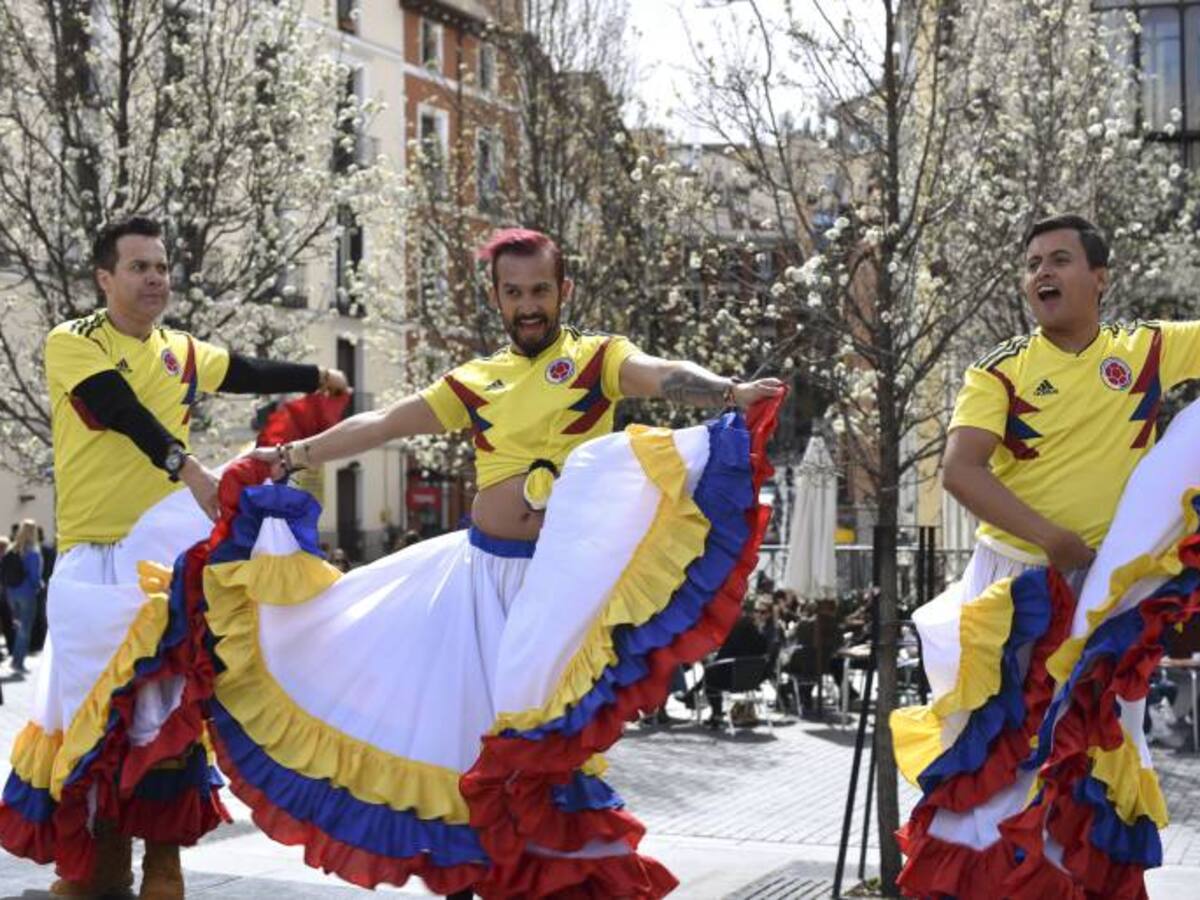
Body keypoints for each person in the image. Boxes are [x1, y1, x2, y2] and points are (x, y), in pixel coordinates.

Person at [189, 226, 785, 897]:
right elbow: (383, 424)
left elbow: (663, 376)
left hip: (558, 592)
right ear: (496, 299)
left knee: (539, 759)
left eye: (539, 290)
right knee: (467, 758)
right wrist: (293, 456)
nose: (528, 305)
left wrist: (729, 393)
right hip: (473, 588)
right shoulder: (476, 380)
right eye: (513, 293)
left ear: (564, 290)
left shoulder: (596, 359)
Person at [0, 216, 348, 900]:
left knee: (166, 709)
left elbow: (242, 370)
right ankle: (98, 872)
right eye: (139, 267)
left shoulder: (182, 351)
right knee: (89, 720)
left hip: (165, 558)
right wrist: (187, 467)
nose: (156, 277)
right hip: (90, 560)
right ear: (105, 279)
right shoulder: (72, 341)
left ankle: (164, 872)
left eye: (161, 266)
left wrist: (317, 374)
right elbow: (117, 407)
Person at [893, 214, 1200, 897]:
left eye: (1059, 259)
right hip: (1018, 597)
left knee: (1093, 760)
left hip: (1102, 597)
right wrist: (1053, 542)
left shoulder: (1146, 352)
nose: (1041, 274)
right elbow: (960, 472)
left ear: (1100, 278)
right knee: (1005, 765)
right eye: (1032, 263)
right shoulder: (999, 372)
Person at [6, 520, 42, 675]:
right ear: (33, 533)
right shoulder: (33, 553)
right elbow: (35, 578)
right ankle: (18, 662)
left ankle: (15, 659)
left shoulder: (12, 549)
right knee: (25, 629)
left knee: (18, 626)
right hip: (27, 593)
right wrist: (40, 585)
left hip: (11, 593)